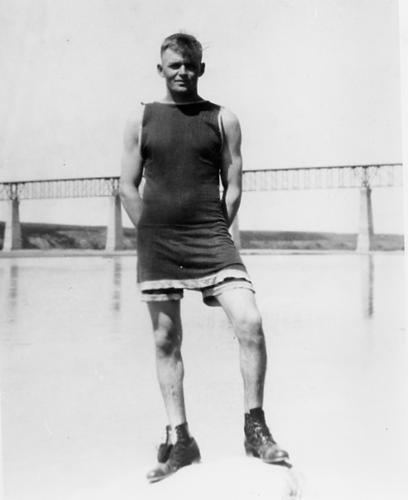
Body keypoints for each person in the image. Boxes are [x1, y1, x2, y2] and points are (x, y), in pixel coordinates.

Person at [120, 33, 289, 483]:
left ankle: (255, 428)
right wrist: (150, 230)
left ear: (200, 69)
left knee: (250, 322)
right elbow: (126, 185)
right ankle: (182, 441)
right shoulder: (141, 120)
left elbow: (234, 184)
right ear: (161, 69)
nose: (181, 72)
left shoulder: (222, 119)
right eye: (173, 65)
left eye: (189, 66)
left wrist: (218, 226)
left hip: (210, 237)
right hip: (158, 242)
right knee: (164, 340)